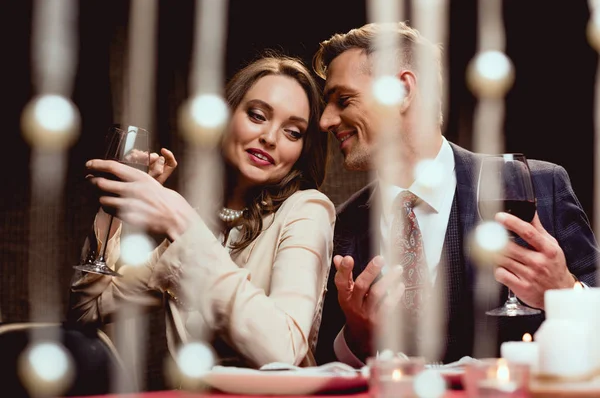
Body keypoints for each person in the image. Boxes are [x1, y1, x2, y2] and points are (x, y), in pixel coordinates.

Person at [313, 22, 598, 366]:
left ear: (403, 90)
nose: (326, 121)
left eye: (343, 99)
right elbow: (320, 359)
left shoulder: (539, 187)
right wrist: (356, 340)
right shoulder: (340, 223)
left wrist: (565, 290)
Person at [69, 53, 335, 368]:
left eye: (293, 132)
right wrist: (115, 209)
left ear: (304, 150)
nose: (270, 137)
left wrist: (181, 222)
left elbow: (283, 351)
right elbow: (86, 310)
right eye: (257, 115)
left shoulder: (307, 209)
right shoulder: (199, 225)